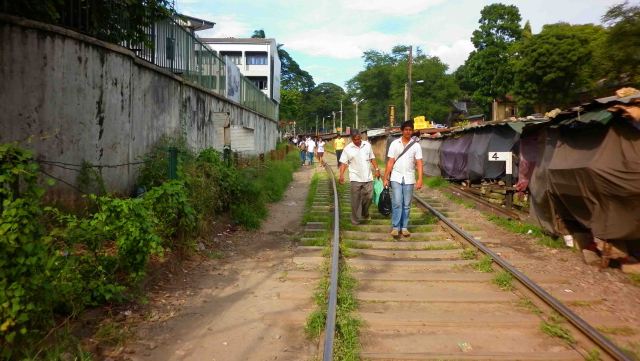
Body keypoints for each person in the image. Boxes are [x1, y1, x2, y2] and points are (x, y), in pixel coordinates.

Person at [383, 121, 423, 237]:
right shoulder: (395, 144)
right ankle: (396, 227)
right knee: (397, 202)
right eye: (406, 129)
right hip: (396, 177)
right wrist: (386, 177)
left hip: (409, 178)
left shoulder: (416, 145)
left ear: (412, 131)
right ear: (402, 131)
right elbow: (390, 162)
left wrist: (420, 179)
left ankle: (404, 227)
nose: (408, 132)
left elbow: (419, 163)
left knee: (406, 204)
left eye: (410, 130)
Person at [339, 130, 381, 225]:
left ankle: (364, 212)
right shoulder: (347, 149)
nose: (357, 141)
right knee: (355, 199)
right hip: (355, 177)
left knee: (369, 197)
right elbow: (344, 163)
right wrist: (341, 175)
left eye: (359, 139)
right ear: (352, 139)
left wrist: (377, 169)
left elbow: (372, 158)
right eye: (355, 140)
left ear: (361, 137)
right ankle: (355, 220)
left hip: (368, 177)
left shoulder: (367, 145)